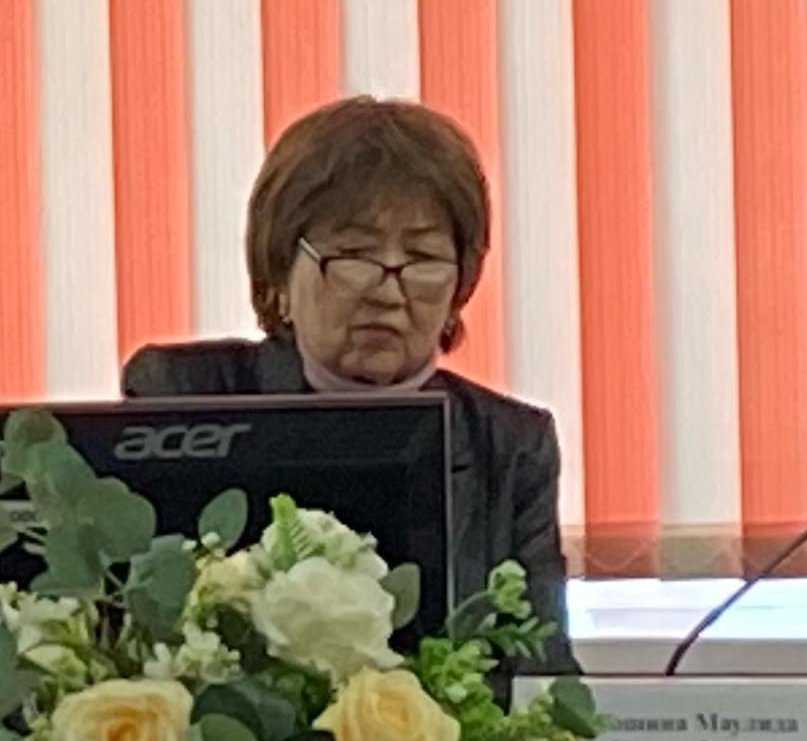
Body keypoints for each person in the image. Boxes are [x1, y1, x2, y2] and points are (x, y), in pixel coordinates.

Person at [122, 96, 570, 661]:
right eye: (354, 253)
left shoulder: (509, 448)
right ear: (280, 275)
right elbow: (136, 635)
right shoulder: (186, 395)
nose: (388, 290)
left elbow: (544, 673)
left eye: (423, 257)